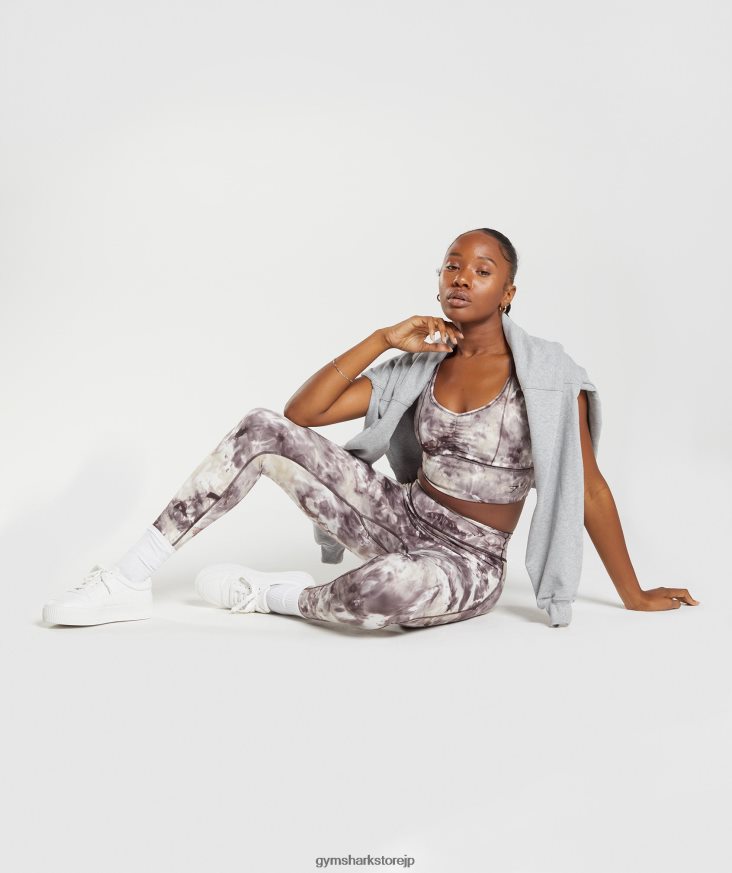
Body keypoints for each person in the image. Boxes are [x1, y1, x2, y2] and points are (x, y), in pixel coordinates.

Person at [41, 228, 700, 630]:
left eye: (482, 269)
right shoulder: (421, 365)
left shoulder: (548, 378)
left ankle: (278, 596)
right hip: (398, 515)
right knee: (259, 427)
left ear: (508, 292)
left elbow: (589, 489)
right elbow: (301, 415)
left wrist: (634, 594)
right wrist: (383, 338)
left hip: (466, 559)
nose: (462, 277)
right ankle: (127, 580)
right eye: (451, 265)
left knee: (392, 590)